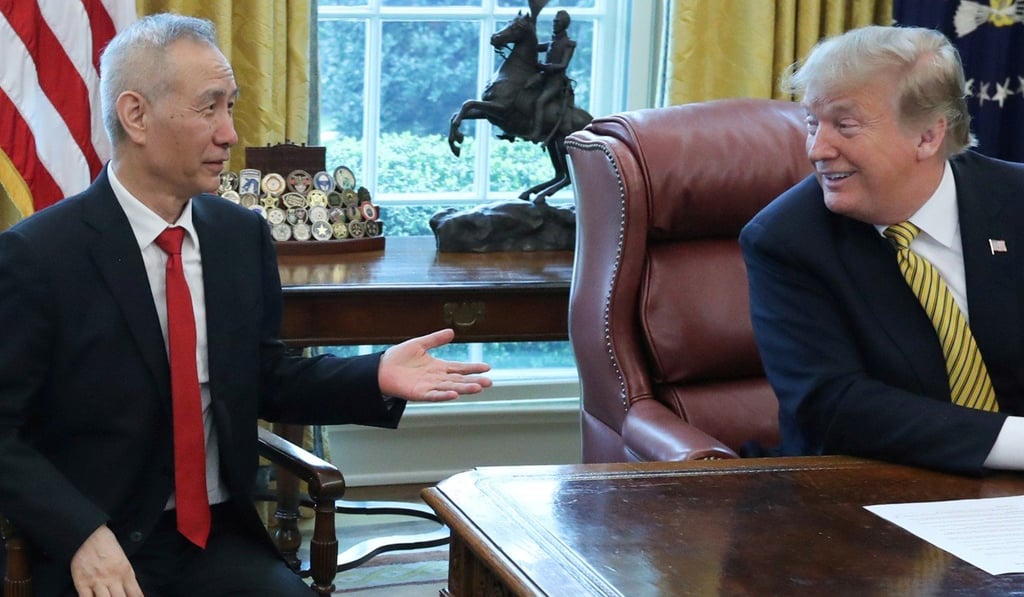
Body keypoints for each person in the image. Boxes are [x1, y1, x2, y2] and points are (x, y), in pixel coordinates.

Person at [0, 13, 492, 596]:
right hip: (96, 544)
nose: (230, 133)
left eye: (230, 106)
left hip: (215, 537)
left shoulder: (239, 235)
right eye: (209, 107)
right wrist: (81, 533)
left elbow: (265, 378)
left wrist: (377, 372)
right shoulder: (38, 255)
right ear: (136, 115)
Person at [740, 25, 1024, 477]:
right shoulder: (785, 240)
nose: (817, 149)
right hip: (860, 493)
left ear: (928, 137)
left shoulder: (1015, 200)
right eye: (812, 123)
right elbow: (835, 405)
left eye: (845, 126)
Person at [526, 9, 575, 141]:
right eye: (554, 21)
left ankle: (536, 133)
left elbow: (563, 65)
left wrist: (545, 67)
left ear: (563, 24)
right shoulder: (551, 42)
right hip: (544, 77)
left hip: (556, 81)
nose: (554, 24)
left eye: (557, 22)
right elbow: (533, 47)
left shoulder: (568, 44)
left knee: (540, 101)